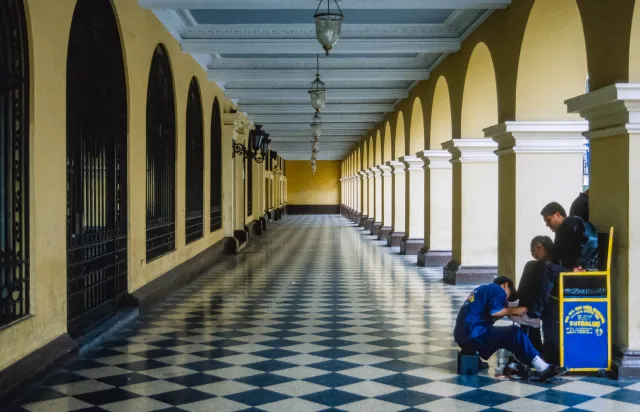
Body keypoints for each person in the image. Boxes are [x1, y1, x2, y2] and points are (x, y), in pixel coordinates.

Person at [454, 276, 567, 381]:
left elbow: (487, 316)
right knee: (514, 333)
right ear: (505, 285)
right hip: (473, 335)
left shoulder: (482, 289)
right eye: (508, 296)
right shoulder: (497, 289)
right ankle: (542, 368)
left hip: (463, 336)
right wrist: (515, 310)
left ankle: (478, 361)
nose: (505, 300)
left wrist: (506, 313)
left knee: (504, 335)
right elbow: (495, 312)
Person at [514, 236, 563, 360]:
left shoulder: (552, 265)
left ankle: (532, 314)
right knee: (530, 265)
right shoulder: (537, 266)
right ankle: (523, 307)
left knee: (538, 267)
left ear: (548, 248)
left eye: (538, 248)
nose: (535, 252)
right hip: (539, 299)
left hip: (552, 297)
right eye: (532, 250)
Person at [540, 202, 598, 271]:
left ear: (558, 215)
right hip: (570, 270)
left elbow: (592, 242)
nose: (547, 225)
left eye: (549, 220)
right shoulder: (560, 233)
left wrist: (581, 265)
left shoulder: (574, 223)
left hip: (585, 269)